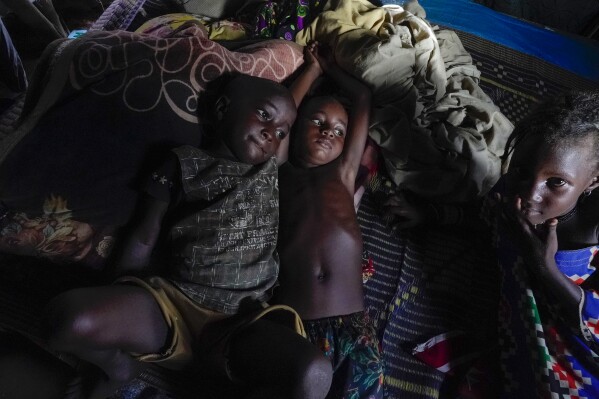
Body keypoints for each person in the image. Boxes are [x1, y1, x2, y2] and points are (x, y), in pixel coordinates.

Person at [42, 74, 333, 399]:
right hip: (172, 307)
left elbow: (287, 114)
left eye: (281, 132)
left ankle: (215, 379)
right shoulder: (181, 163)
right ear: (223, 108)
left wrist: (313, 68)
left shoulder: (268, 168)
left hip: (243, 320)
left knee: (314, 374)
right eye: (264, 115)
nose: (271, 133)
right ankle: (121, 368)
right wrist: (118, 301)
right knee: (66, 320)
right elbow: (143, 237)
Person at [385, 91, 599, 398]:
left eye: (556, 183)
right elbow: (487, 221)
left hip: (577, 363)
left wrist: (546, 268)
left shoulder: (591, 226)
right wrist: (433, 213)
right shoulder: (509, 193)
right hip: (520, 343)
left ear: (592, 181)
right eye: (522, 171)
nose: (531, 193)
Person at [275, 43, 384, 398]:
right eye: (318, 122)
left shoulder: (343, 173)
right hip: (296, 325)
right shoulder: (277, 170)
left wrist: (329, 67)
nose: (328, 132)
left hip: (354, 326)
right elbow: (282, 113)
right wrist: (310, 72)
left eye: (339, 131)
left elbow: (363, 98)